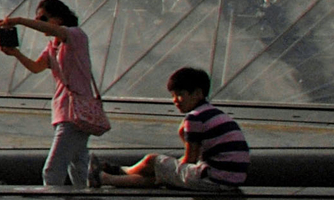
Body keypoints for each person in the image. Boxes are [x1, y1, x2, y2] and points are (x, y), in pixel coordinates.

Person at [0, 0, 108, 188]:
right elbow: (35, 67)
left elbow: (60, 33)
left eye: (43, 18)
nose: (39, 22)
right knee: (78, 164)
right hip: (66, 110)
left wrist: (20, 21)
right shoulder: (52, 47)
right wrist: (15, 53)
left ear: (58, 18)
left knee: (53, 168)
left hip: (74, 113)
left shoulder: (76, 35)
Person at [101, 67, 248, 193]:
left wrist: (171, 162)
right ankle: (105, 179)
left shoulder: (195, 118)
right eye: (172, 96)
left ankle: (119, 170)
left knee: (152, 160)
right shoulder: (216, 114)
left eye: (180, 94)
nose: (175, 100)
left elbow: (190, 160)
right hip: (230, 181)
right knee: (162, 174)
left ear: (198, 93)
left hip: (212, 179)